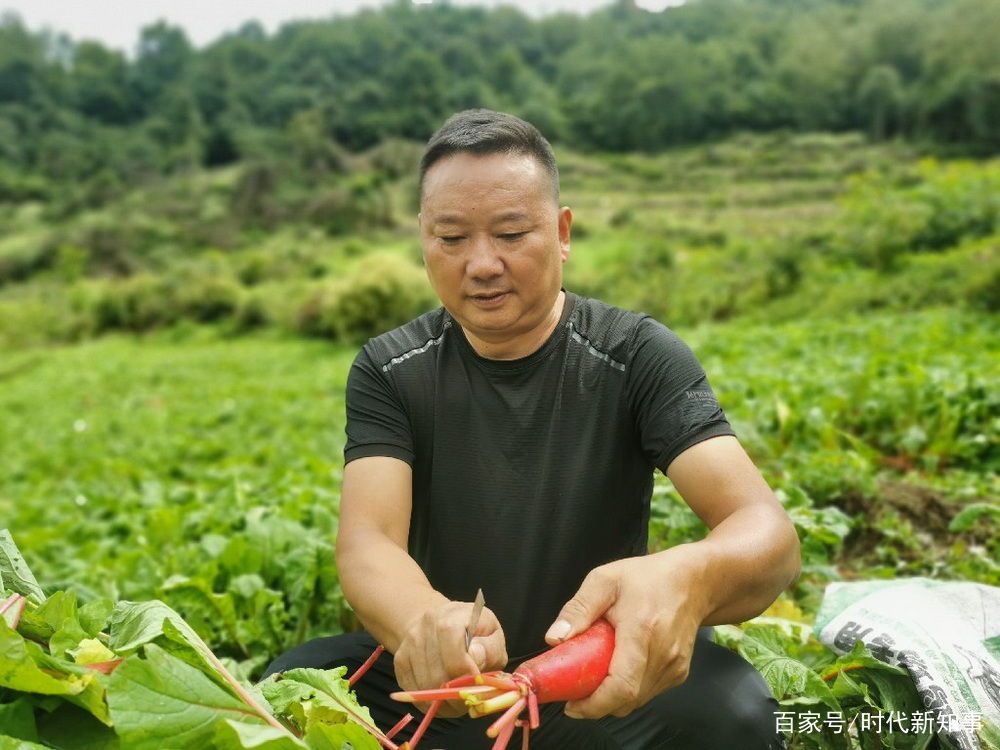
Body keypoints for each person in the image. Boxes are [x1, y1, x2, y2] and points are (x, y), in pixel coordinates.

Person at [263, 109, 801, 749]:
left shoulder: (637, 355)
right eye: (452, 238)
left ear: (563, 231)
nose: (482, 263)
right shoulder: (390, 369)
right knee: (290, 691)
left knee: (738, 717)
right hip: (456, 694)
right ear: (423, 240)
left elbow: (767, 535)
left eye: (512, 233)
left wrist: (690, 575)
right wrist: (427, 623)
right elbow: (369, 542)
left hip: (594, 685)